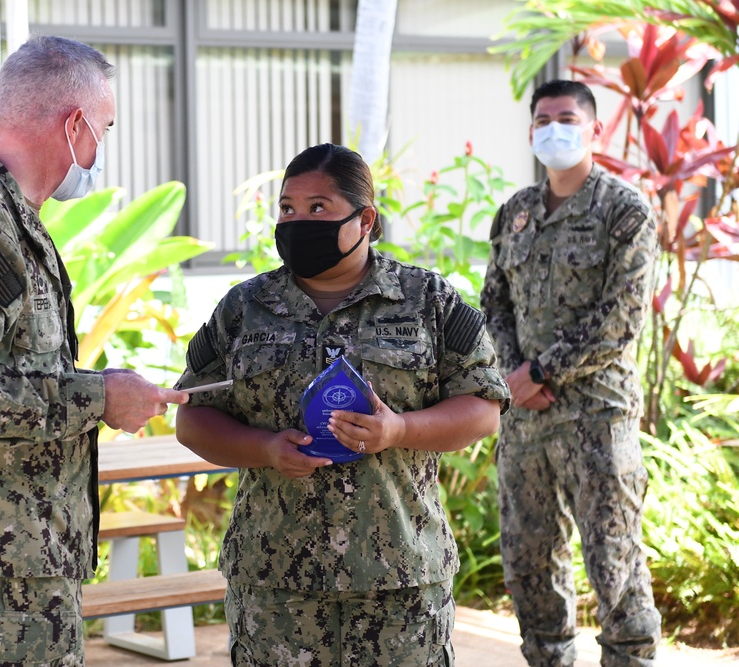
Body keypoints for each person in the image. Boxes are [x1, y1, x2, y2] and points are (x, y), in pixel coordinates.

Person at [0, 36, 189, 666]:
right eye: (103, 128)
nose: (102, 147)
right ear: (74, 124)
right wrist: (101, 397)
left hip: (16, 544)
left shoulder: (11, 218)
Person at [175, 143, 510, 666]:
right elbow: (191, 417)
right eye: (287, 208)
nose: (297, 221)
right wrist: (263, 448)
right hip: (275, 586)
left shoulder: (427, 302)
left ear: (365, 219)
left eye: (317, 208)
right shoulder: (243, 309)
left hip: (398, 585)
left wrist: (399, 430)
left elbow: (483, 408)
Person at [480, 79, 662, 667]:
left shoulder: (624, 210)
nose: (552, 128)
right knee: (529, 563)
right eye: (541, 119)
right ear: (531, 131)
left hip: (597, 418)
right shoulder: (515, 214)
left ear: (594, 130)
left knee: (614, 562)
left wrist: (540, 371)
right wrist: (513, 374)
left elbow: (622, 317)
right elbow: (494, 304)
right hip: (525, 421)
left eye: (565, 117)